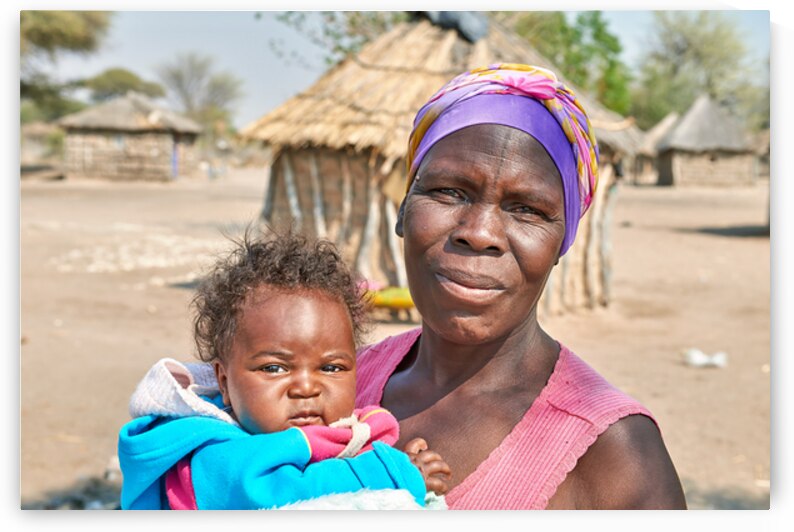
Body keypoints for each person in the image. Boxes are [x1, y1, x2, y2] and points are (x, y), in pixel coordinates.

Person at [355, 63, 688, 510]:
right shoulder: (334, 383)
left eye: (526, 209)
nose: (480, 232)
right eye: (450, 191)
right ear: (402, 210)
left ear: (561, 243)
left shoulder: (612, 455)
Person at [117, 230, 450, 510]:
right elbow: (279, 492)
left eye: (331, 367)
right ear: (224, 381)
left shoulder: (335, 431)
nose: (306, 387)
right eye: (274, 368)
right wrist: (393, 475)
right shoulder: (211, 457)